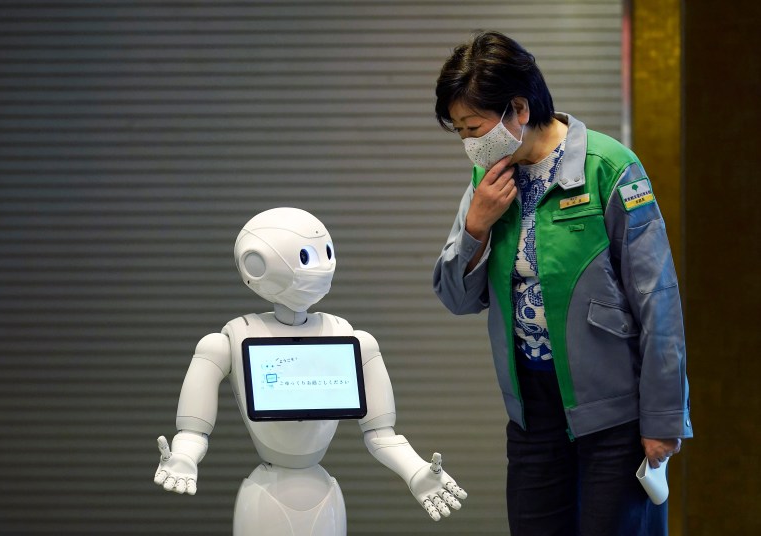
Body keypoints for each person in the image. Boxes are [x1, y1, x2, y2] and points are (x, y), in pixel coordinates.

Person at [432, 31, 692, 536]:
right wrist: (476, 227)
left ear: (518, 108)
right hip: (533, 412)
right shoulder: (488, 180)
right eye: (460, 131)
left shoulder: (610, 168)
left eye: (474, 126)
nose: (469, 143)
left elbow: (658, 300)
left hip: (614, 412)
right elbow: (457, 298)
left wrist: (664, 417)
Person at [153, 207, 466, 535]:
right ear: (255, 264)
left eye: (324, 253)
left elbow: (381, 434)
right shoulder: (228, 341)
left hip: (323, 494)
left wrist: (416, 471)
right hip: (264, 496)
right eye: (305, 256)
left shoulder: (351, 339)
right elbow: (193, 430)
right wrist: (184, 457)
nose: (320, 267)